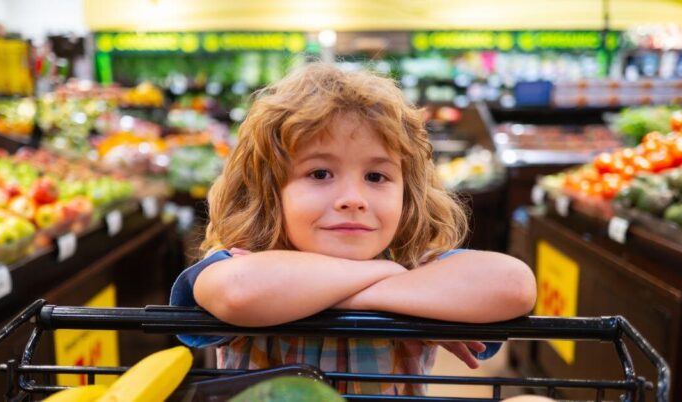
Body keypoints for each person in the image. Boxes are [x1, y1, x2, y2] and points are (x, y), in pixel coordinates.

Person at [170, 63, 537, 396]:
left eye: (376, 176)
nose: (353, 199)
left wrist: (367, 282)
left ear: (408, 195)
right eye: (319, 174)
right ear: (268, 191)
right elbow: (237, 292)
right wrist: (385, 277)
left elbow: (514, 285)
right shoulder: (240, 261)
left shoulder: (415, 264)